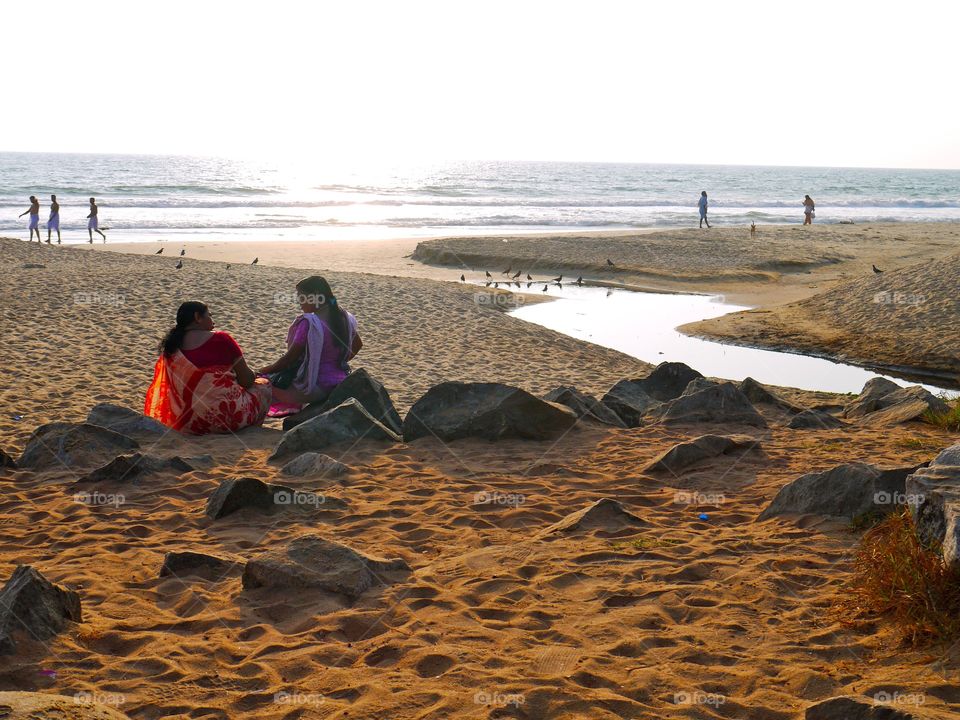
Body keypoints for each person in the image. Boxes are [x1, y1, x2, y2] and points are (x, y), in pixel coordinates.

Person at [144, 301, 271, 434]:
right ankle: (251, 432)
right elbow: (246, 381)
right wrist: (255, 375)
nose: (213, 320)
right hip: (229, 420)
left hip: (189, 422)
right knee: (264, 385)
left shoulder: (172, 346)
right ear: (198, 317)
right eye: (209, 315)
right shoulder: (222, 340)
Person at [259, 275, 362, 416]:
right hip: (340, 381)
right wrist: (339, 361)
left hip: (315, 387)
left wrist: (261, 371)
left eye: (301, 297)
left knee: (259, 384)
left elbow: (289, 359)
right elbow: (357, 345)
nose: (299, 302)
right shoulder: (343, 317)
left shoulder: (309, 323)